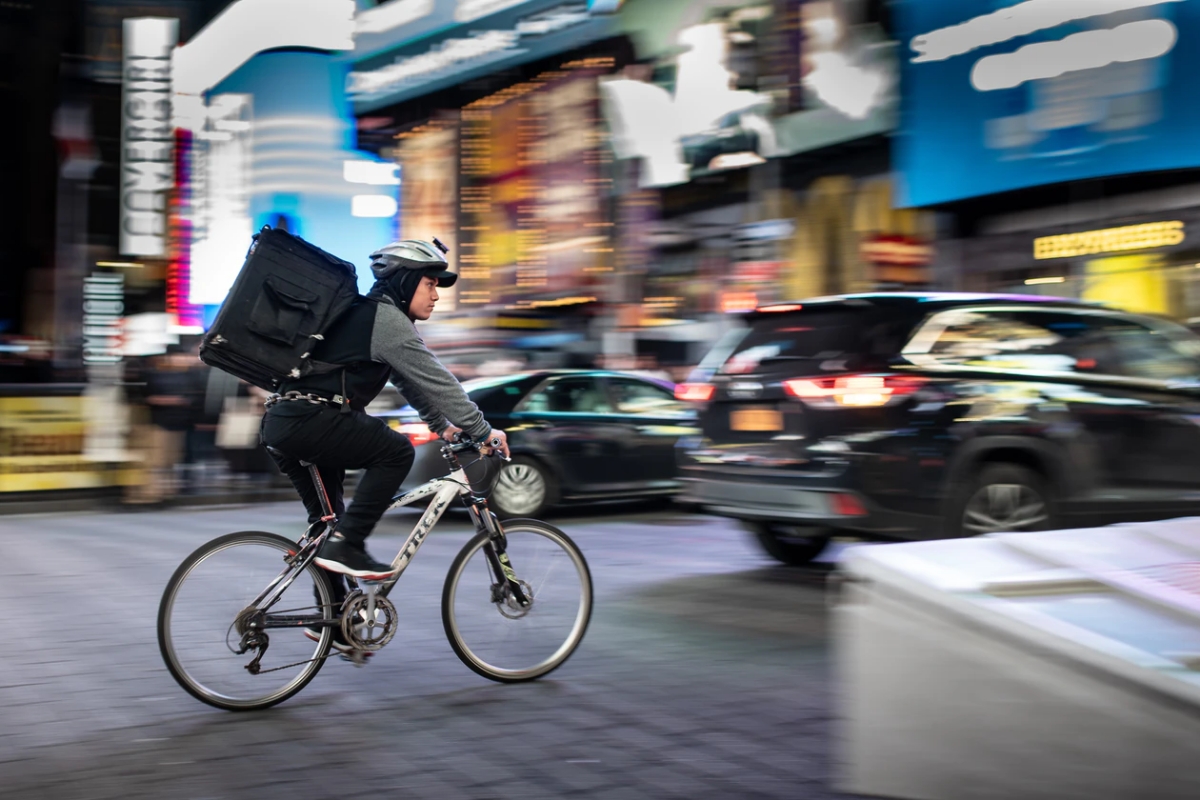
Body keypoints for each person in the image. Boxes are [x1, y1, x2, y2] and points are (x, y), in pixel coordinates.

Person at [260, 239, 510, 594]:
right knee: (396, 452)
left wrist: (442, 426)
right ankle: (349, 545)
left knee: (329, 525)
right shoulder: (386, 321)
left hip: (286, 422)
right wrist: (482, 430)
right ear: (406, 281)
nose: (435, 295)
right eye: (430, 283)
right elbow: (439, 381)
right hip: (311, 420)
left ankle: (330, 622)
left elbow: (407, 381)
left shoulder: (369, 317)